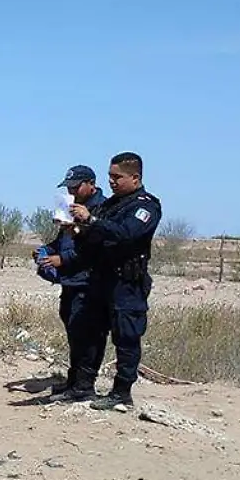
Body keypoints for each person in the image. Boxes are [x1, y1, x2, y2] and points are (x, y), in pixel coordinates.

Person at [66, 152, 162, 409]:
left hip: (126, 283)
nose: (112, 181)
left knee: (126, 337)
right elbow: (96, 238)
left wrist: (92, 220)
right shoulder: (110, 205)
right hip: (100, 279)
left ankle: (121, 392)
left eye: (117, 177)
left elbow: (126, 234)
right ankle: (82, 386)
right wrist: (78, 231)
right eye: (110, 176)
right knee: (89, 333)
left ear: (135, 177)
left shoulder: (145, 206)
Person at [34, 165, 107, 398]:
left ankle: (84, 386)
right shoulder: (70, 207)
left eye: (76, 187)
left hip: (89, 284)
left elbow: (95, 249)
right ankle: (74, 382)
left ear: (91, 184)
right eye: (69, 187)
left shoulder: (102, 210)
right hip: (70, 282)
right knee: (74, 333)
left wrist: (62, 259)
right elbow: (62, 241)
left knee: (88, 335)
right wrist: (46, 252)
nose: (71, 191)